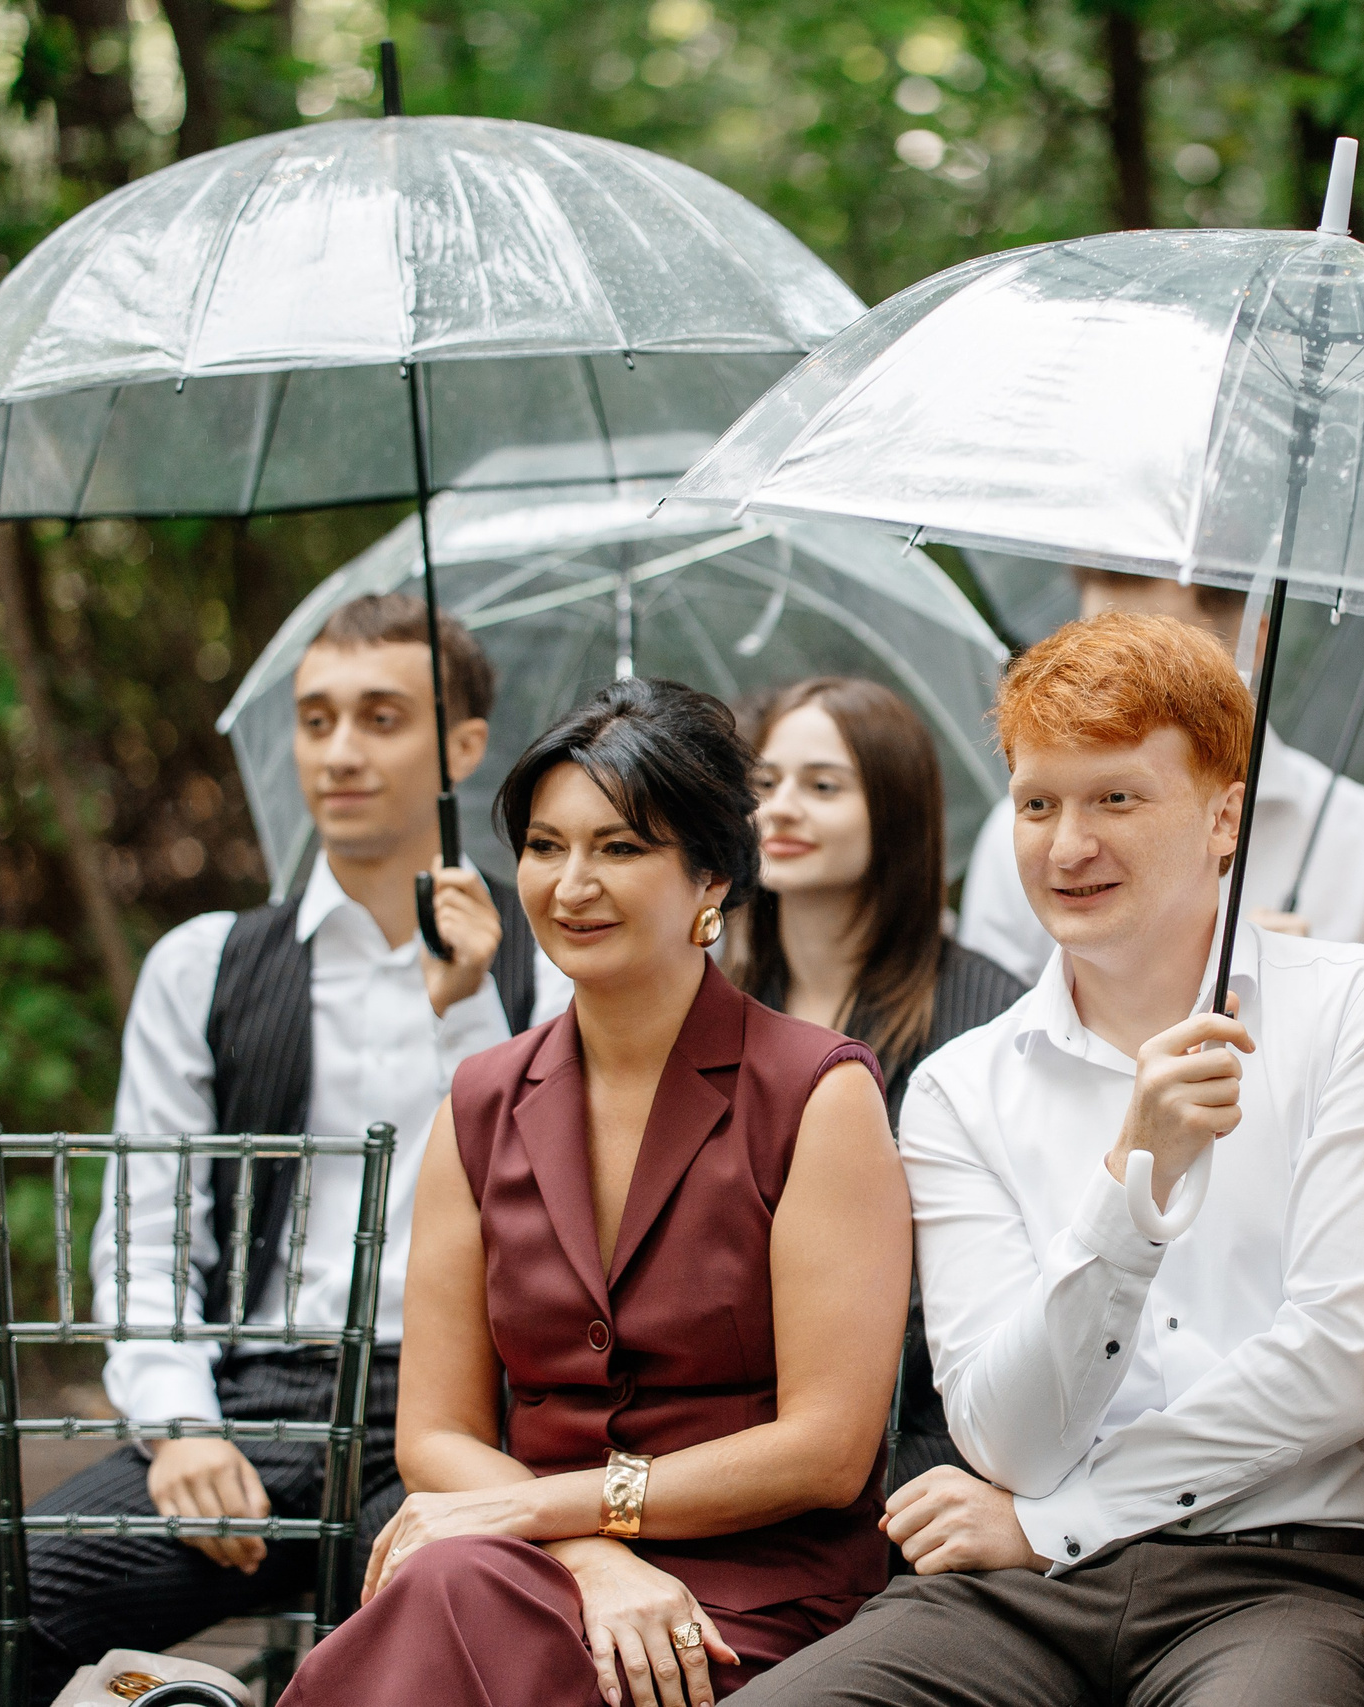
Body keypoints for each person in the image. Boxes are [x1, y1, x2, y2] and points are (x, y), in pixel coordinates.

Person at [739, 612, 1364, 1707]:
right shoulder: (960, 1088)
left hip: (1292, 1576)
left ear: (1223, 821)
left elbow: (1341, 1372)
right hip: (1017, 1596)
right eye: (1037, 804)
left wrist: (1054, 1519)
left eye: (1115, 798)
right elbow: (1000, 1431)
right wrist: (1133, 1187)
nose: (1066, 847)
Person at [0, 593, 568, 1707]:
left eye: (381, 717)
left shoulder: (547, 965)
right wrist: (177, 1427)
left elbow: (556, 1207)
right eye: (315, 720)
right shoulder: (203, 964)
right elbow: (150, 1224)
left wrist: (464, 1015)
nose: (340, 752)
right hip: (256, 1404)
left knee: (423, 1657)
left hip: (467, 1417)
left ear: (461, 746)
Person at [276, 677, 911, 1707]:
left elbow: (828, 1452)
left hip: (754, 1583)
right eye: (543, 844)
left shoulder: (815, 1093)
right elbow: (432, 1434)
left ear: (711, 878)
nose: (570, 883)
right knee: (455, 1581)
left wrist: (563, 1524)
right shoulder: (480, 1100)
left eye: (619, 848)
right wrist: (591, 1553)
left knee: (451, 1585)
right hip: (526, 1558)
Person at [725, 676, 1028, 1493]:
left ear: (894, 811)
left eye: (822, 786)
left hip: (916, 1437)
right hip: (725, 1417)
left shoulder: (986, 1016)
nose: (782, 808)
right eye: (764, 783)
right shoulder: (713, 1000)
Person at [959, 568, 1364, 980]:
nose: (1115, 679)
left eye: (1162, 655)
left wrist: (1318, 993)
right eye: (1095, 644)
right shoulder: (1017, 836)